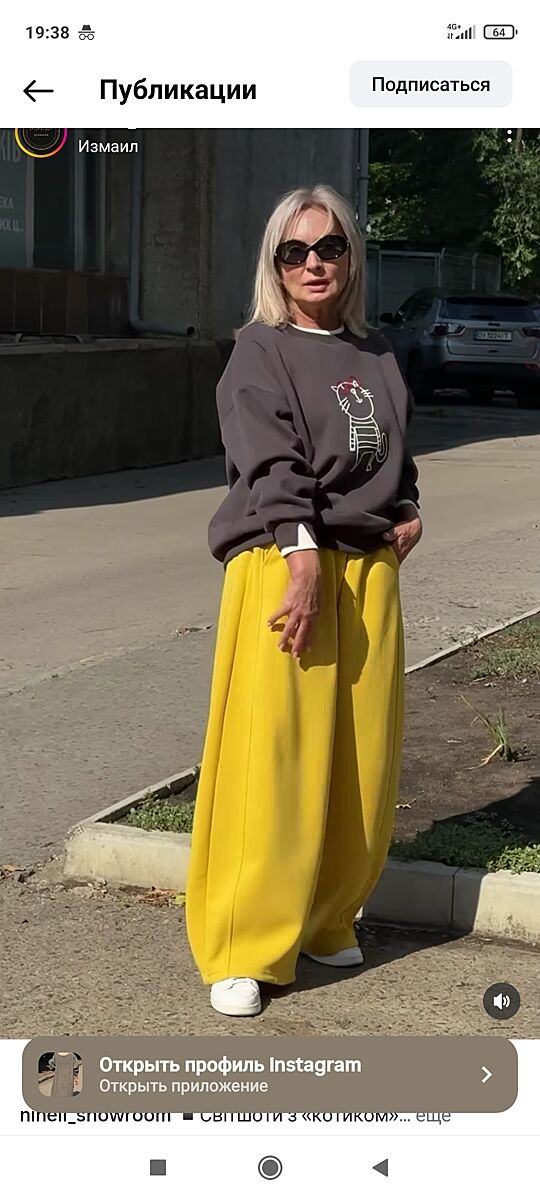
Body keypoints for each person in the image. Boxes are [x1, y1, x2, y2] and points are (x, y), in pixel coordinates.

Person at [185, 183, 422, 1017]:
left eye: (329, 247)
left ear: (351, 256)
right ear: (275, 264)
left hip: (366, 569)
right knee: (273, 759)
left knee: (361, 760)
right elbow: (268, 460)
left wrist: (406, 506)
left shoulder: (376, 352)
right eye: (294, 251)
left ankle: (326, 917)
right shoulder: (261, 349)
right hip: (288, 562)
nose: (313, 263)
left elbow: (391, 452)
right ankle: (244, 944)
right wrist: (301, 554)